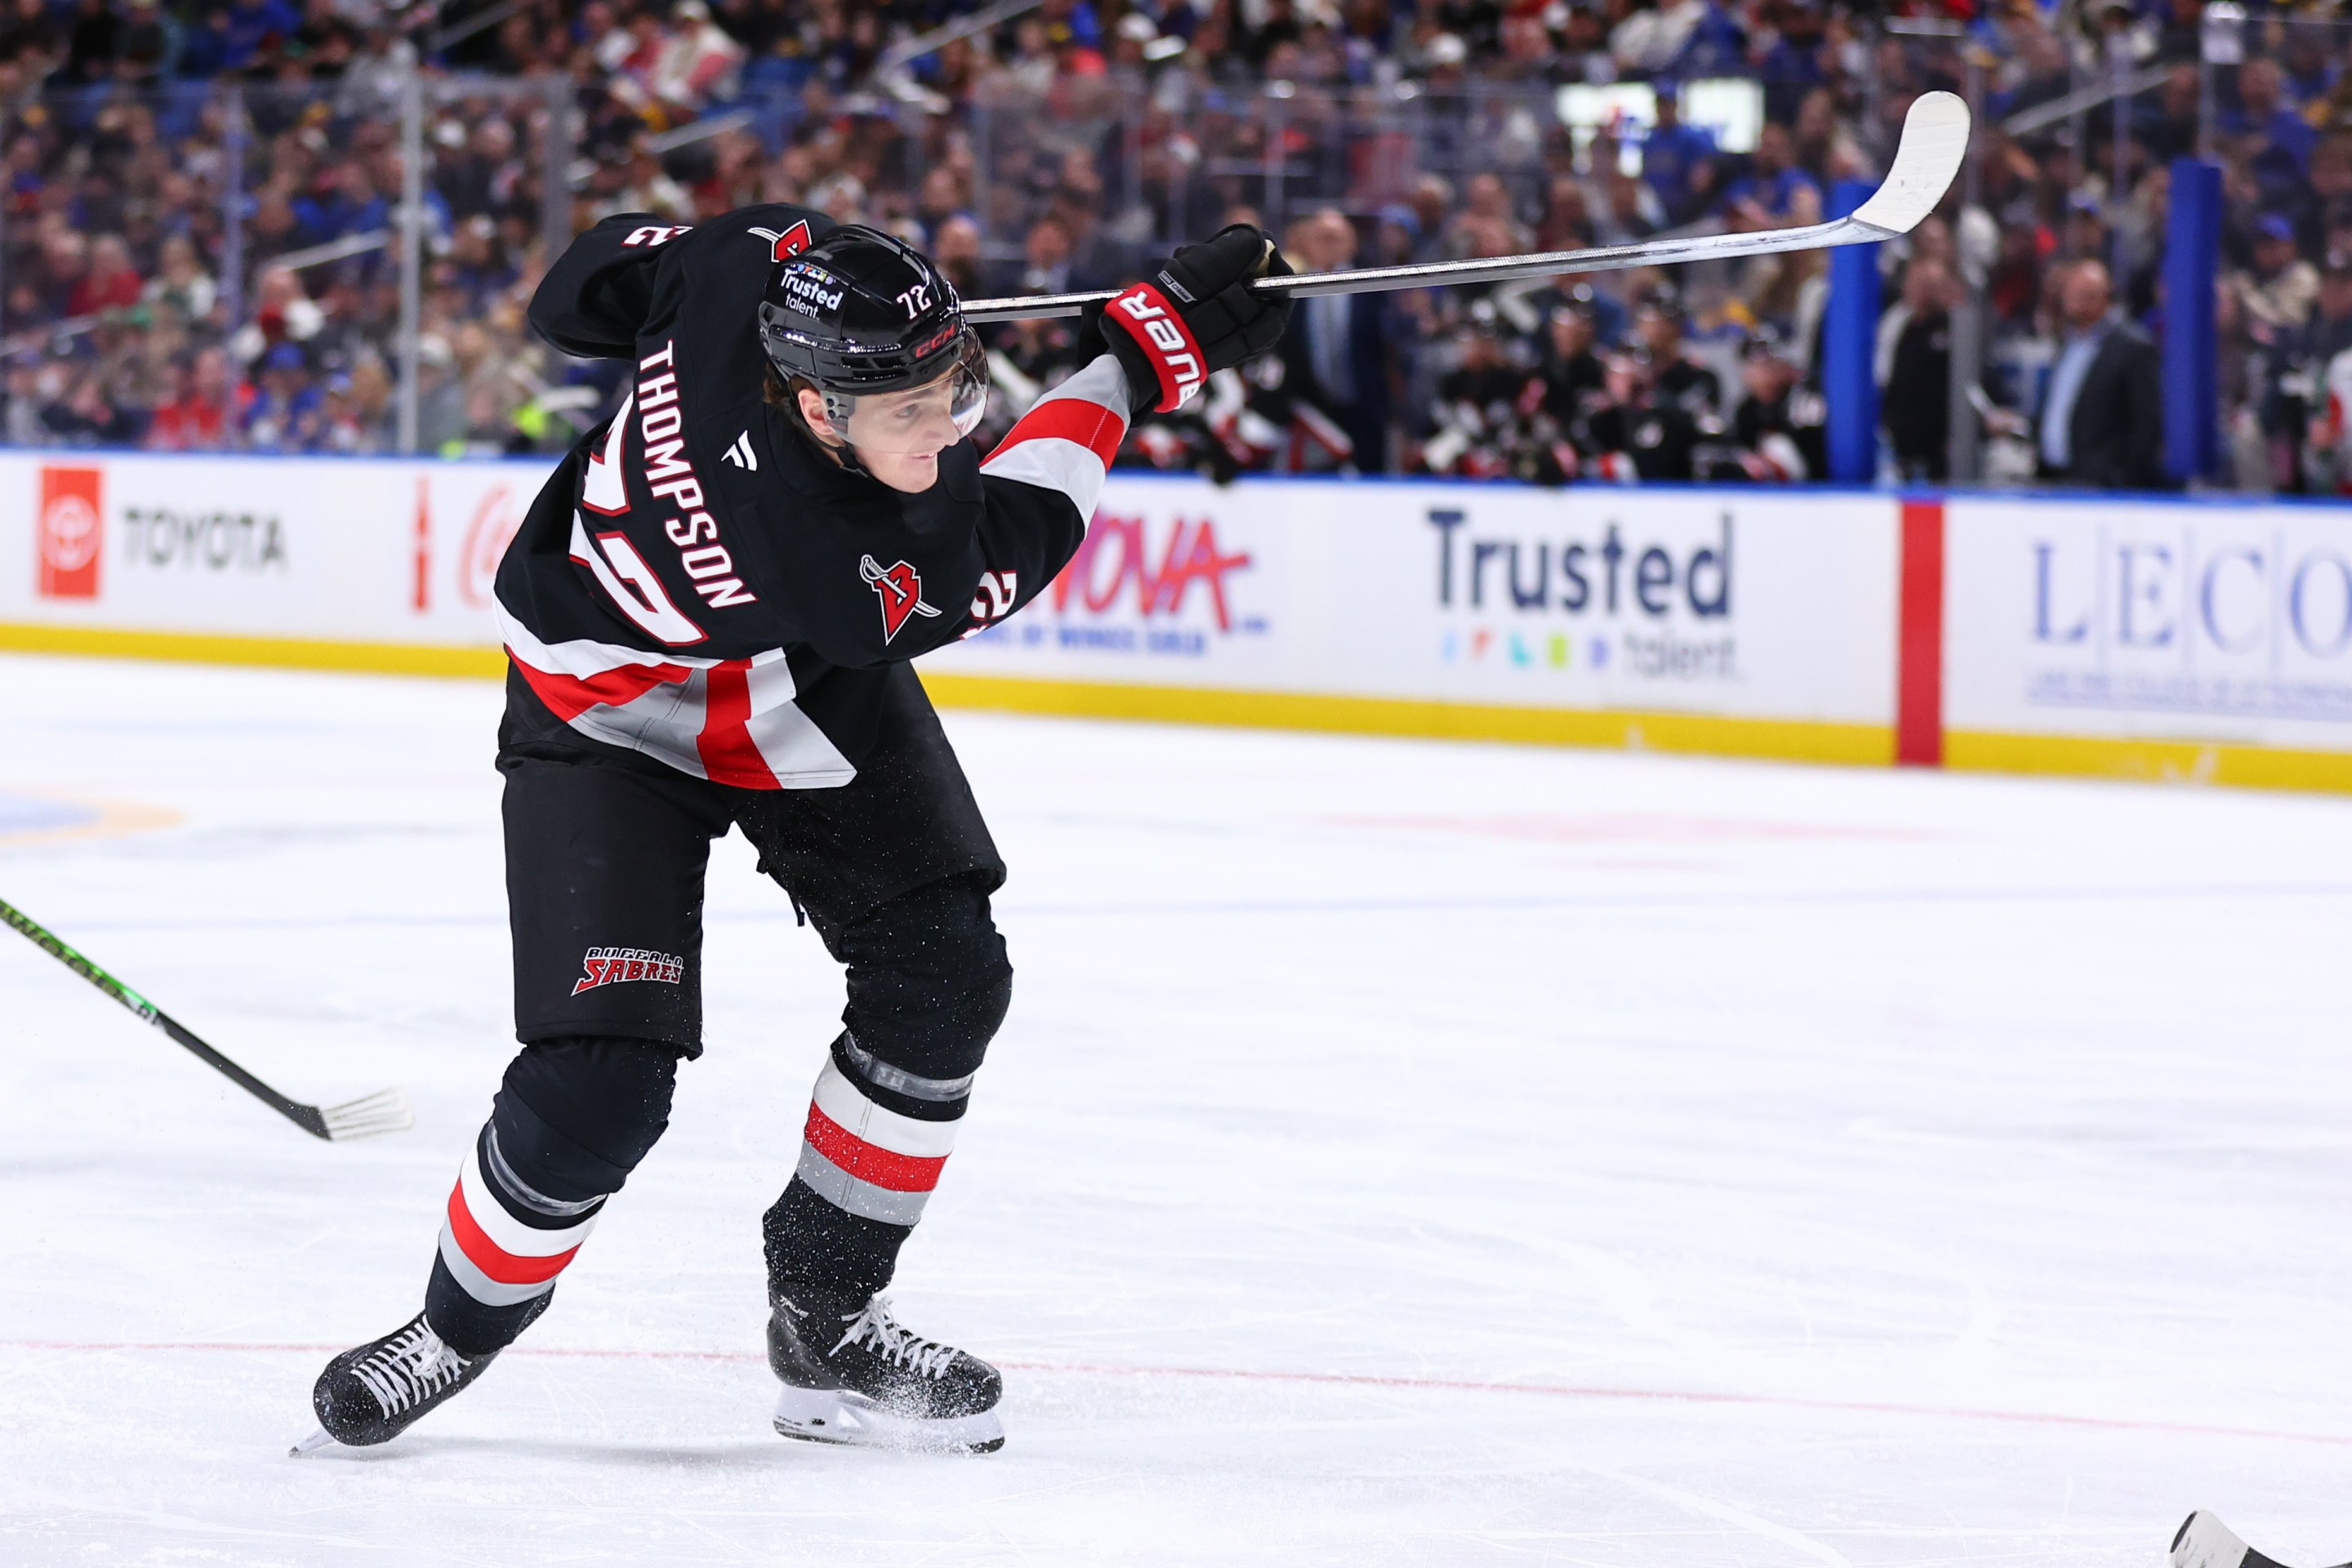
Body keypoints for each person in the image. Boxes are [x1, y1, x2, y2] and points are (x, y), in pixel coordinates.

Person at [300, 210, 1291, 1455]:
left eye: (956, 384)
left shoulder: (745, 265)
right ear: (820, 411)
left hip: (782, 673)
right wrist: (1137, 362)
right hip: (606, 709)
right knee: (600, 1088)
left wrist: (874, 322)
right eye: (911, 413)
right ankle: (454, 1329)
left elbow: (578, 294)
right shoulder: (854, 557)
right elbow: (1031, 514)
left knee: (944, 976)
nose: (950, 430)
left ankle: (826, 1320)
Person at [2037, 258, 2165, 489]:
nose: (2075, 301)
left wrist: (2120, 476)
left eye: (2085, 294)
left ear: (2103, 296)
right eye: (2072, 293)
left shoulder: (2132, 347)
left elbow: (2147, 423)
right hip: (2054, 479)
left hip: (2101, 488)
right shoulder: (2067, 345)